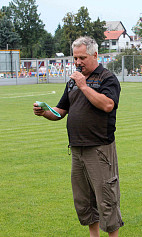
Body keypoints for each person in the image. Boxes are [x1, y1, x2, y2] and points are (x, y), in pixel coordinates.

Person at [33, 36, 123, 237]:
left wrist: (84, 85)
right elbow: (61, 111)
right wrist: (45, 111)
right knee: (84, 200)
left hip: (99, 148)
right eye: (75, 58)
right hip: (77, 149)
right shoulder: (72, 81)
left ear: (95, 55)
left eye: (82, 57)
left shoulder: (107, 78)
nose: (78, 62)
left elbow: (108, 104)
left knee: (106, 198)